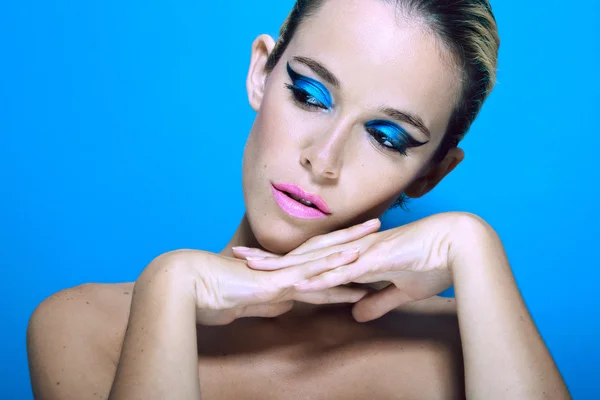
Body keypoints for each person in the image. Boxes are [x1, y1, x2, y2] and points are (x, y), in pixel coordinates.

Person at [26, 0, 570, 398]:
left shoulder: (471, 346)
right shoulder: (83, 327)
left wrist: (474, 246)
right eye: (311, 95)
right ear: (262, 71)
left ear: (431, 175)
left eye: (386, 137)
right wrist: (169, 287)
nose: (324, 159)